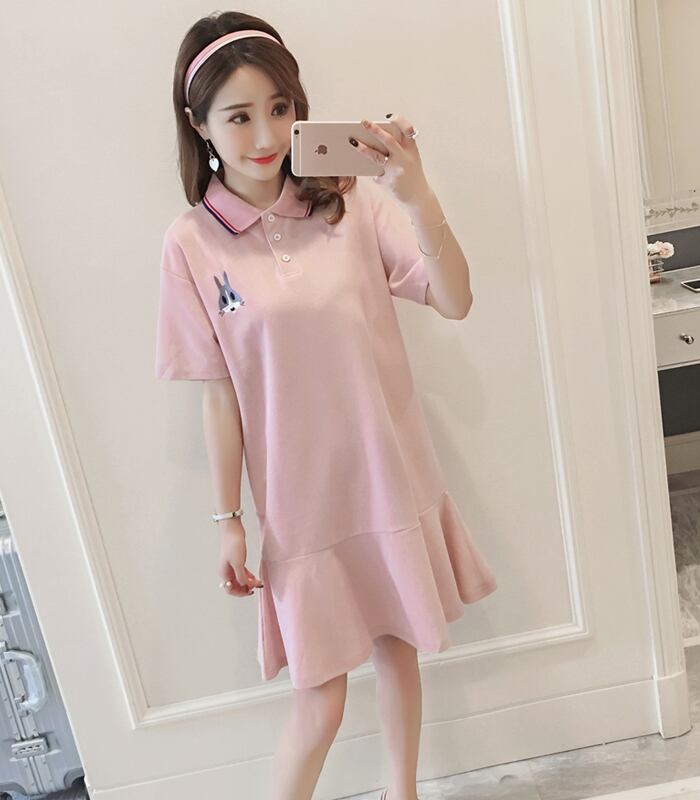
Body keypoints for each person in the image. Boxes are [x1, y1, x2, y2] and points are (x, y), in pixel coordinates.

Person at [155, 11, 498, 800]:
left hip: (387, 474)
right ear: (199, 125)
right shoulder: (190, 245)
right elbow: (218, 395)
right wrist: (228, 521)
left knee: (399, 647)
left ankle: (403, 793)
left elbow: (455, 300)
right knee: (320, 700)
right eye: (239, 116)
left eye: (280, 108)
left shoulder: (353, 205)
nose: (266, 135)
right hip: (300, 505)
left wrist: (416, 195)